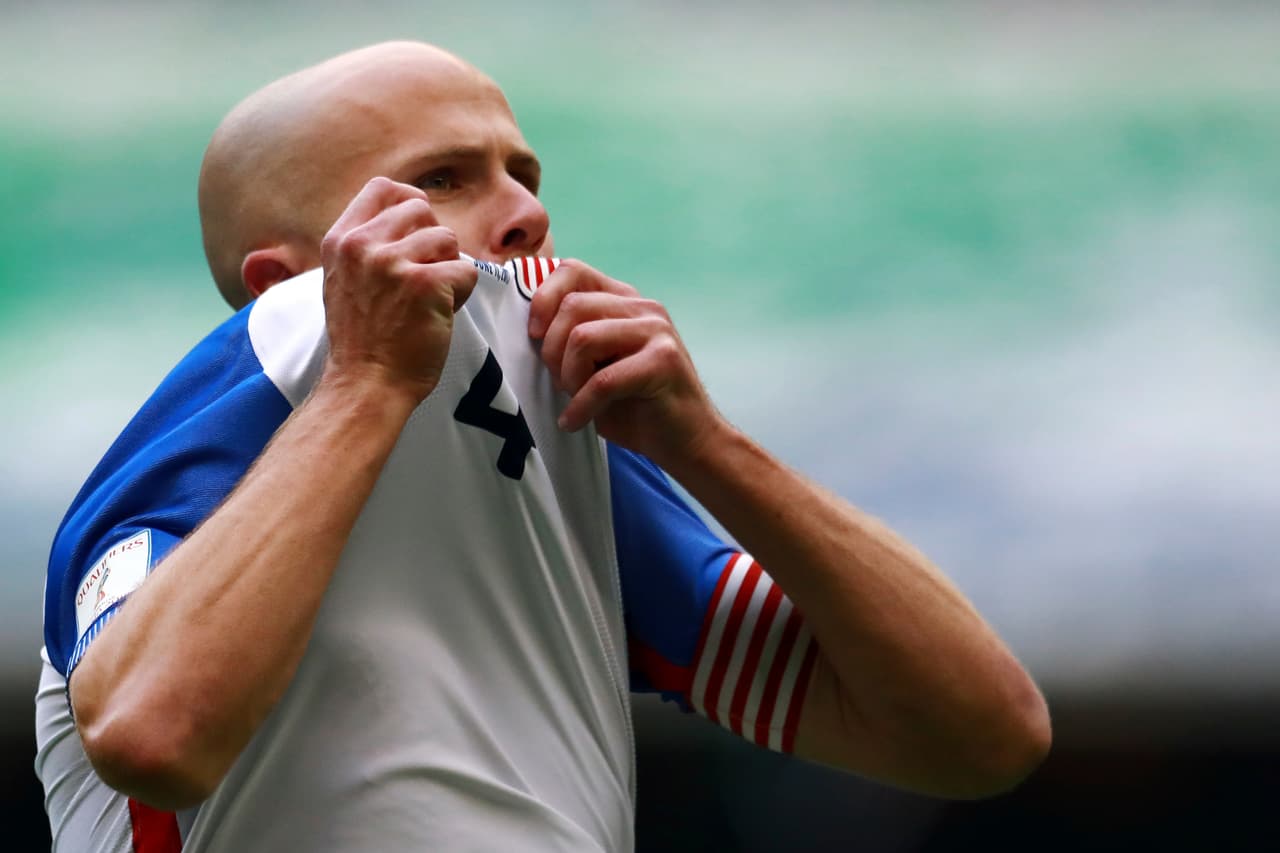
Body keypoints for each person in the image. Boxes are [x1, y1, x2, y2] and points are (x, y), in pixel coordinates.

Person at [35, 41, 1050, 852]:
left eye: (522, 174)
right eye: (444, 178)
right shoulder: (232, 395)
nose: (527, 214)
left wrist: (706, 445)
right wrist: (364, 380)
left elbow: (980, 735)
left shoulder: (554, 450)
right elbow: (152, 735)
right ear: (282, 281)